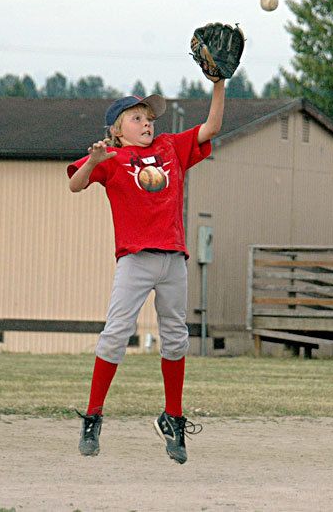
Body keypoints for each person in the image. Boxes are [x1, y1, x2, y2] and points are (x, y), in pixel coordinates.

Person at [67, 80, 225, 464]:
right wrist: (93, 161)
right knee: (116, 335)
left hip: (173, 257)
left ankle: (172, 418)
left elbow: (212, 128)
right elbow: (75, 184)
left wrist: (219, 85)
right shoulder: (112, 159)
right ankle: (93, 416)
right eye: (136, 118)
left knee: (176, 338)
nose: (147, 123)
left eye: (149, 117)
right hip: (135, 260)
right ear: (117, 130)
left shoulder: (170, 147)